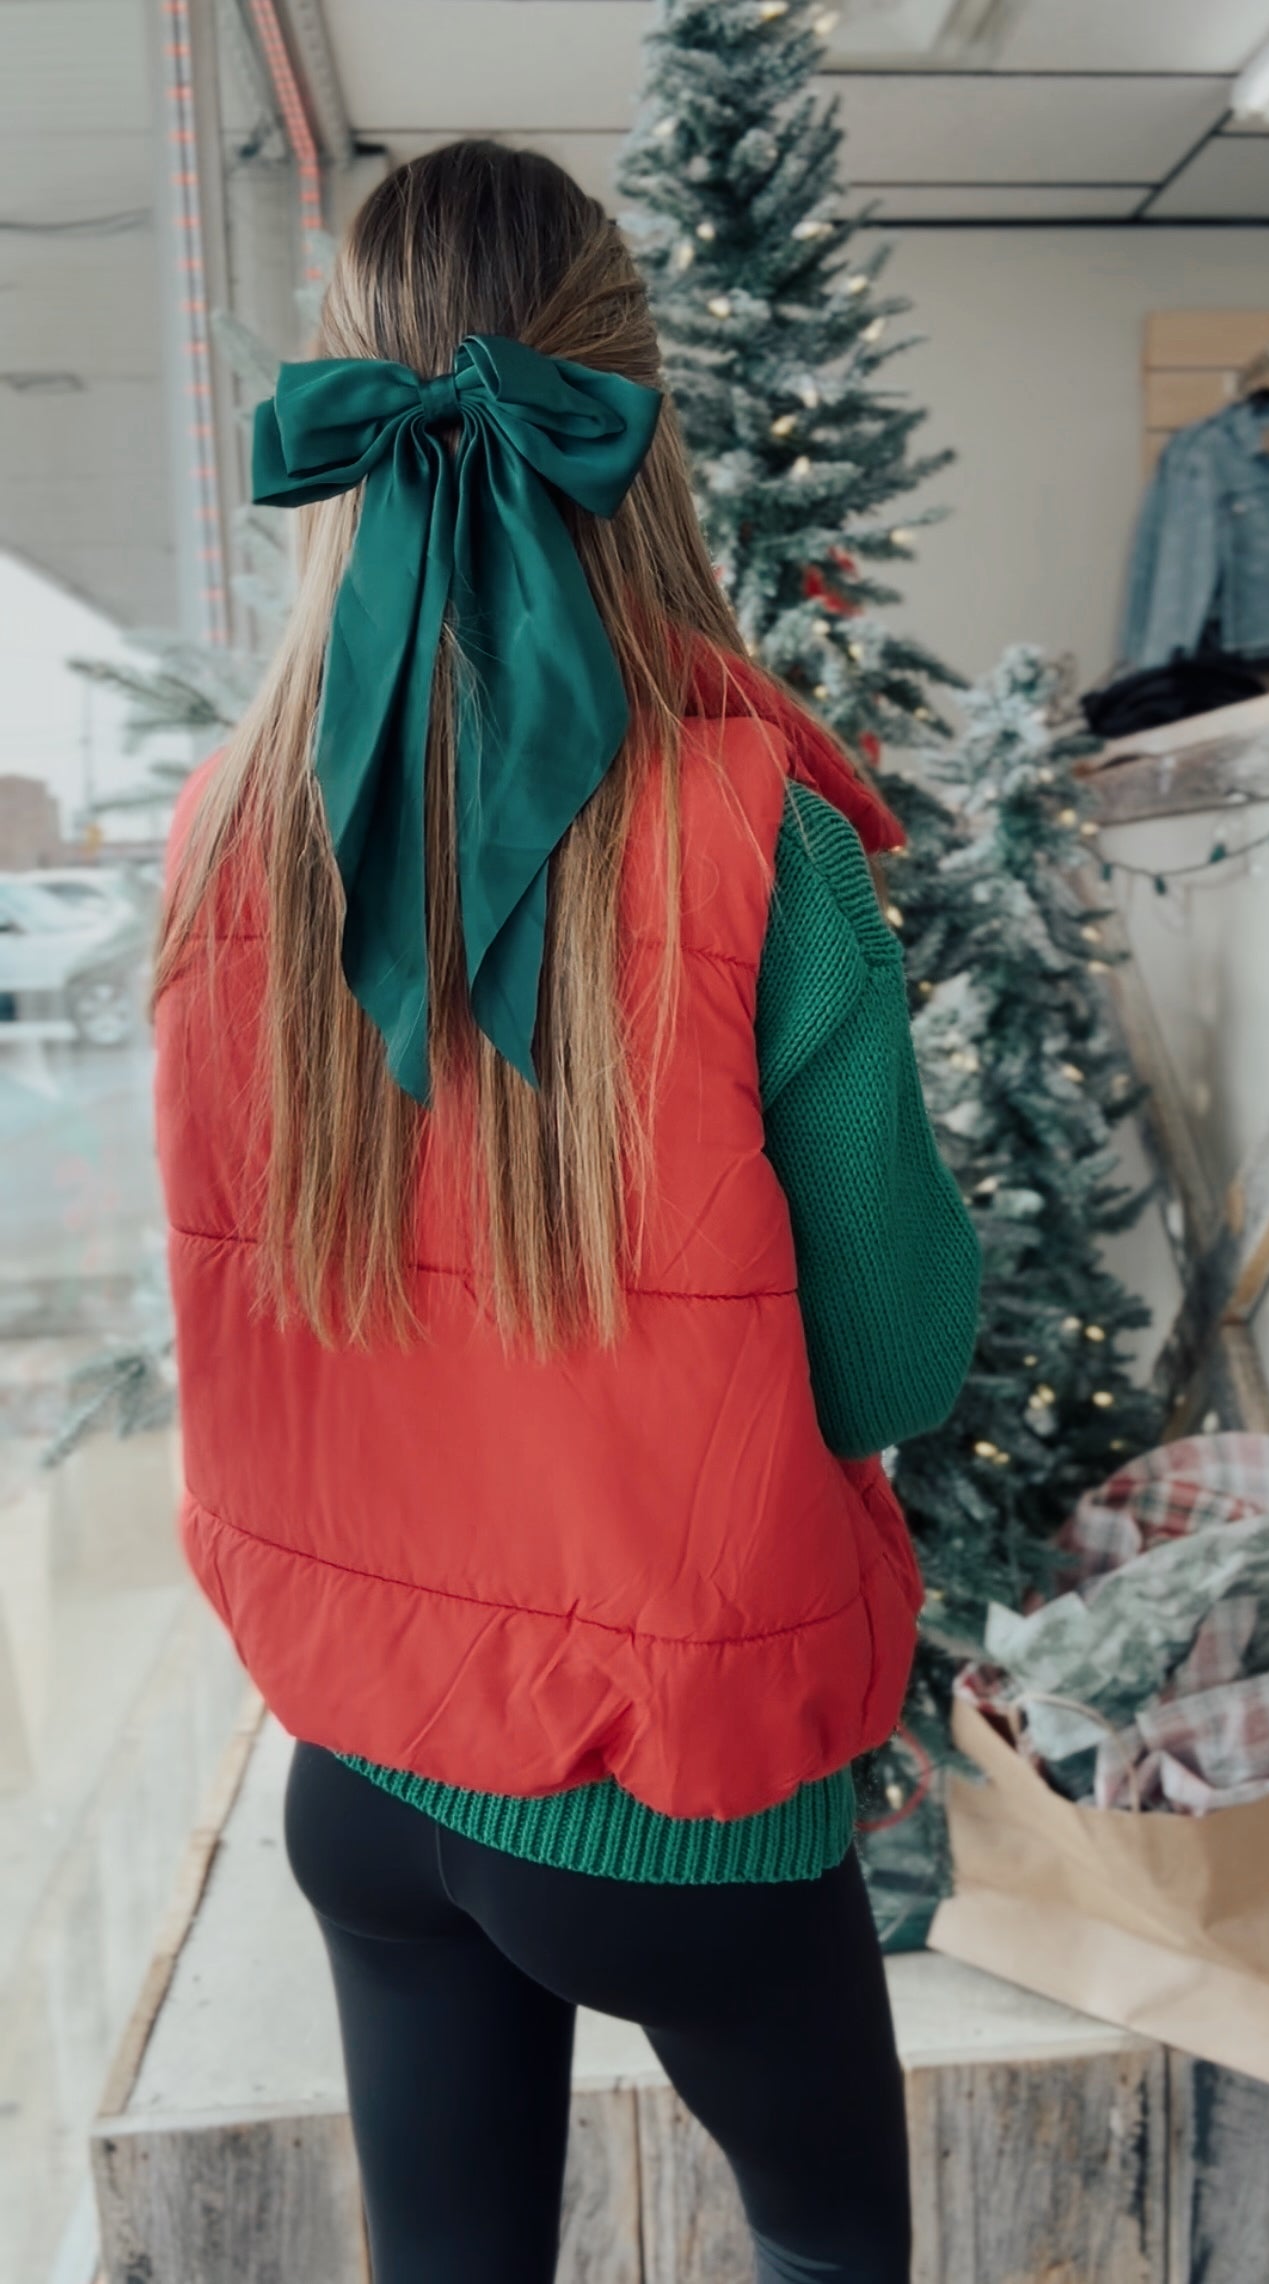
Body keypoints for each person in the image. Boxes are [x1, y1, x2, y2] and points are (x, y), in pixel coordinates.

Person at [151, 139, 980, 2284]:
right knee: (828, 2248)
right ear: (635, 422)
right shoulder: (755, 838)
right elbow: (894, 1355)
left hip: (362, 1769)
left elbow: (243, 1314)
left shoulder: (225, 838)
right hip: (666, 1796)